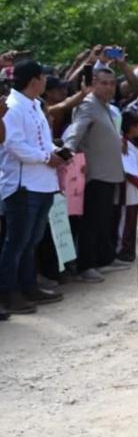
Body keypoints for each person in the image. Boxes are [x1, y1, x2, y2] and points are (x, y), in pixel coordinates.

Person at [0, 60, 66, 314]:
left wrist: (58, 152)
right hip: (23, 186)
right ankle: (8, 293)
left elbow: (43, 142)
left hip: (43, 183)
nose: (46, 81)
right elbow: (13, 145)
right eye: (43, 77)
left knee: (31, 242)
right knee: (16, 242)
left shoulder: (36, 104)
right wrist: (46, 157)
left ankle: (29, 287)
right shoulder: (13, 107)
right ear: (34, 80)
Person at [62, 66, 128, 282]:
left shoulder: (106, 106)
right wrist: (66, 151)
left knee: (103, 220)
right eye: (104, 83)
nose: (109, 87)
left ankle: (104, 259)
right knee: (91, 222)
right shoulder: (88, 105)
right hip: (95, 174)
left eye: (112, 83)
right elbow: (75, 132)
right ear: (93, 84)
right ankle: (86, 266)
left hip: (109, 172)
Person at [117, 111, 138, 263]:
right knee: (126, 220)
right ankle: (123, 249)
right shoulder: (123, 144)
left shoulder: (132, 144)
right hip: (129, 190)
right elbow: (128, 172)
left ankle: (130, 249)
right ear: (132, 127)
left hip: (136, 191)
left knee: (133, 221)